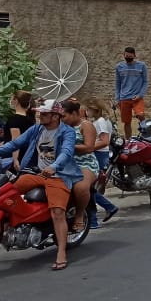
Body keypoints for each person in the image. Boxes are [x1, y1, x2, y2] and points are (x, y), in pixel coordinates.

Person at [0, 100, 83, 271]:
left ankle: (61, 252)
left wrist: (54, 167)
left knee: (57, 212)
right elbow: (16, 143)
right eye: (39, 113)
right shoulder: (37, 128)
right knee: (6, 193)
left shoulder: (67, 132)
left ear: (55, 116)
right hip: (38, 173)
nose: (39, 116)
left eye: (44, 114)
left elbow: (66, 152)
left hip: (59, 175)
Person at [61, 100, 99, 233]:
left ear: (74, 113)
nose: (62, 119)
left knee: (81, 187)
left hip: (85, 163)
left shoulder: (85, 125)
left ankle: (79, 214)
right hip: (64, 163)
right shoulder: (61, 127)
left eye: (64, 116)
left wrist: (68, 147)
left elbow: (89, 147)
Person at [82, 97, 118, 226]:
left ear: (95, 110)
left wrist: (88, 147)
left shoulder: (101, 122)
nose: (87, 111)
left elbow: (104, 141)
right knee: (89, 188)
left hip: (99, 155)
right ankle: (106, 209)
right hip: (99, 154)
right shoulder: (100, 121)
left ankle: (93, 219)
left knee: (88, 188)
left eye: (88, 109)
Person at [115, 46, 148, 138]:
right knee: (127, 122)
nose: (128, 58)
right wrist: (117, 98)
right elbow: (118, 83)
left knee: (140, 114)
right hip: (124, 98)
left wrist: (140, 95)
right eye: (126, 56)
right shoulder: (119, 67)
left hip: (137, 97)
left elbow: (145, 82)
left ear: (134, 56)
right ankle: (128, 140)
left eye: (130, 56)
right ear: (124, 55)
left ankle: (144, 130)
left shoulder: (141, 66)